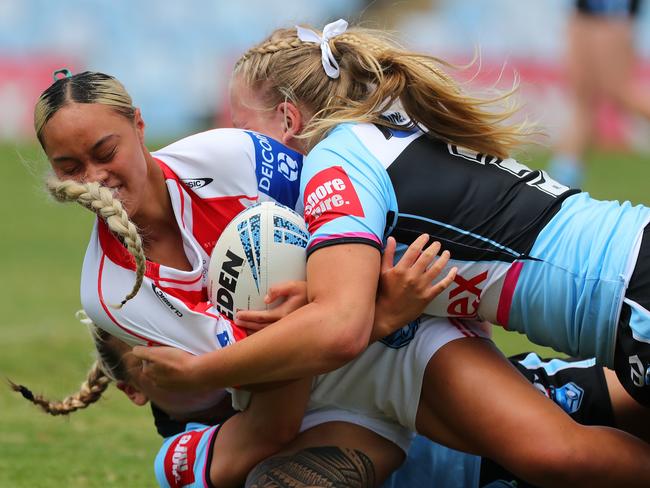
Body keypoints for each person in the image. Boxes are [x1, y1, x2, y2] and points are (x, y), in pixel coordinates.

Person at [32, 70, 650, 487]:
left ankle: (564, 390)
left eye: (104, 151)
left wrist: (363, 317)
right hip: (324, 400)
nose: (93, 176)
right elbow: (267, 405)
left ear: (139, 126)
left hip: (395, 345)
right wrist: (347, 319)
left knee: (554, 455)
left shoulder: (230, 157)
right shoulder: (111, 295)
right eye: (69, 165)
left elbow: (348, 236)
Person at [139, 18, 650, 407]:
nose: (236, 147)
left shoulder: (333, 163)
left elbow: (341, 328)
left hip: (631, 297)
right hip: (630, 280)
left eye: (241, 128)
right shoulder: (384, 130)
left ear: (289, 118)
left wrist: (204, 371)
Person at [548, 0, 650, 188]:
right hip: (584, 11)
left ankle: (562, 180)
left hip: (612, 10)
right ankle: (561, 183)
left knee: (619, 91)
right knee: (583, 97)